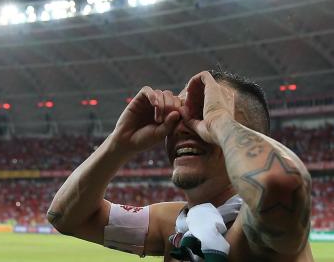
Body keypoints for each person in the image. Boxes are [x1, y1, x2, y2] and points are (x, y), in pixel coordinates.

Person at [47, 70, 314, 261]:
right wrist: (119, 142)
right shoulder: (173, 224)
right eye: (179, 117)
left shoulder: (257, 230)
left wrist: (218, 120)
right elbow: (66, 217)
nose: (185, 128)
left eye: (201, 115)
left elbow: (279, 183)